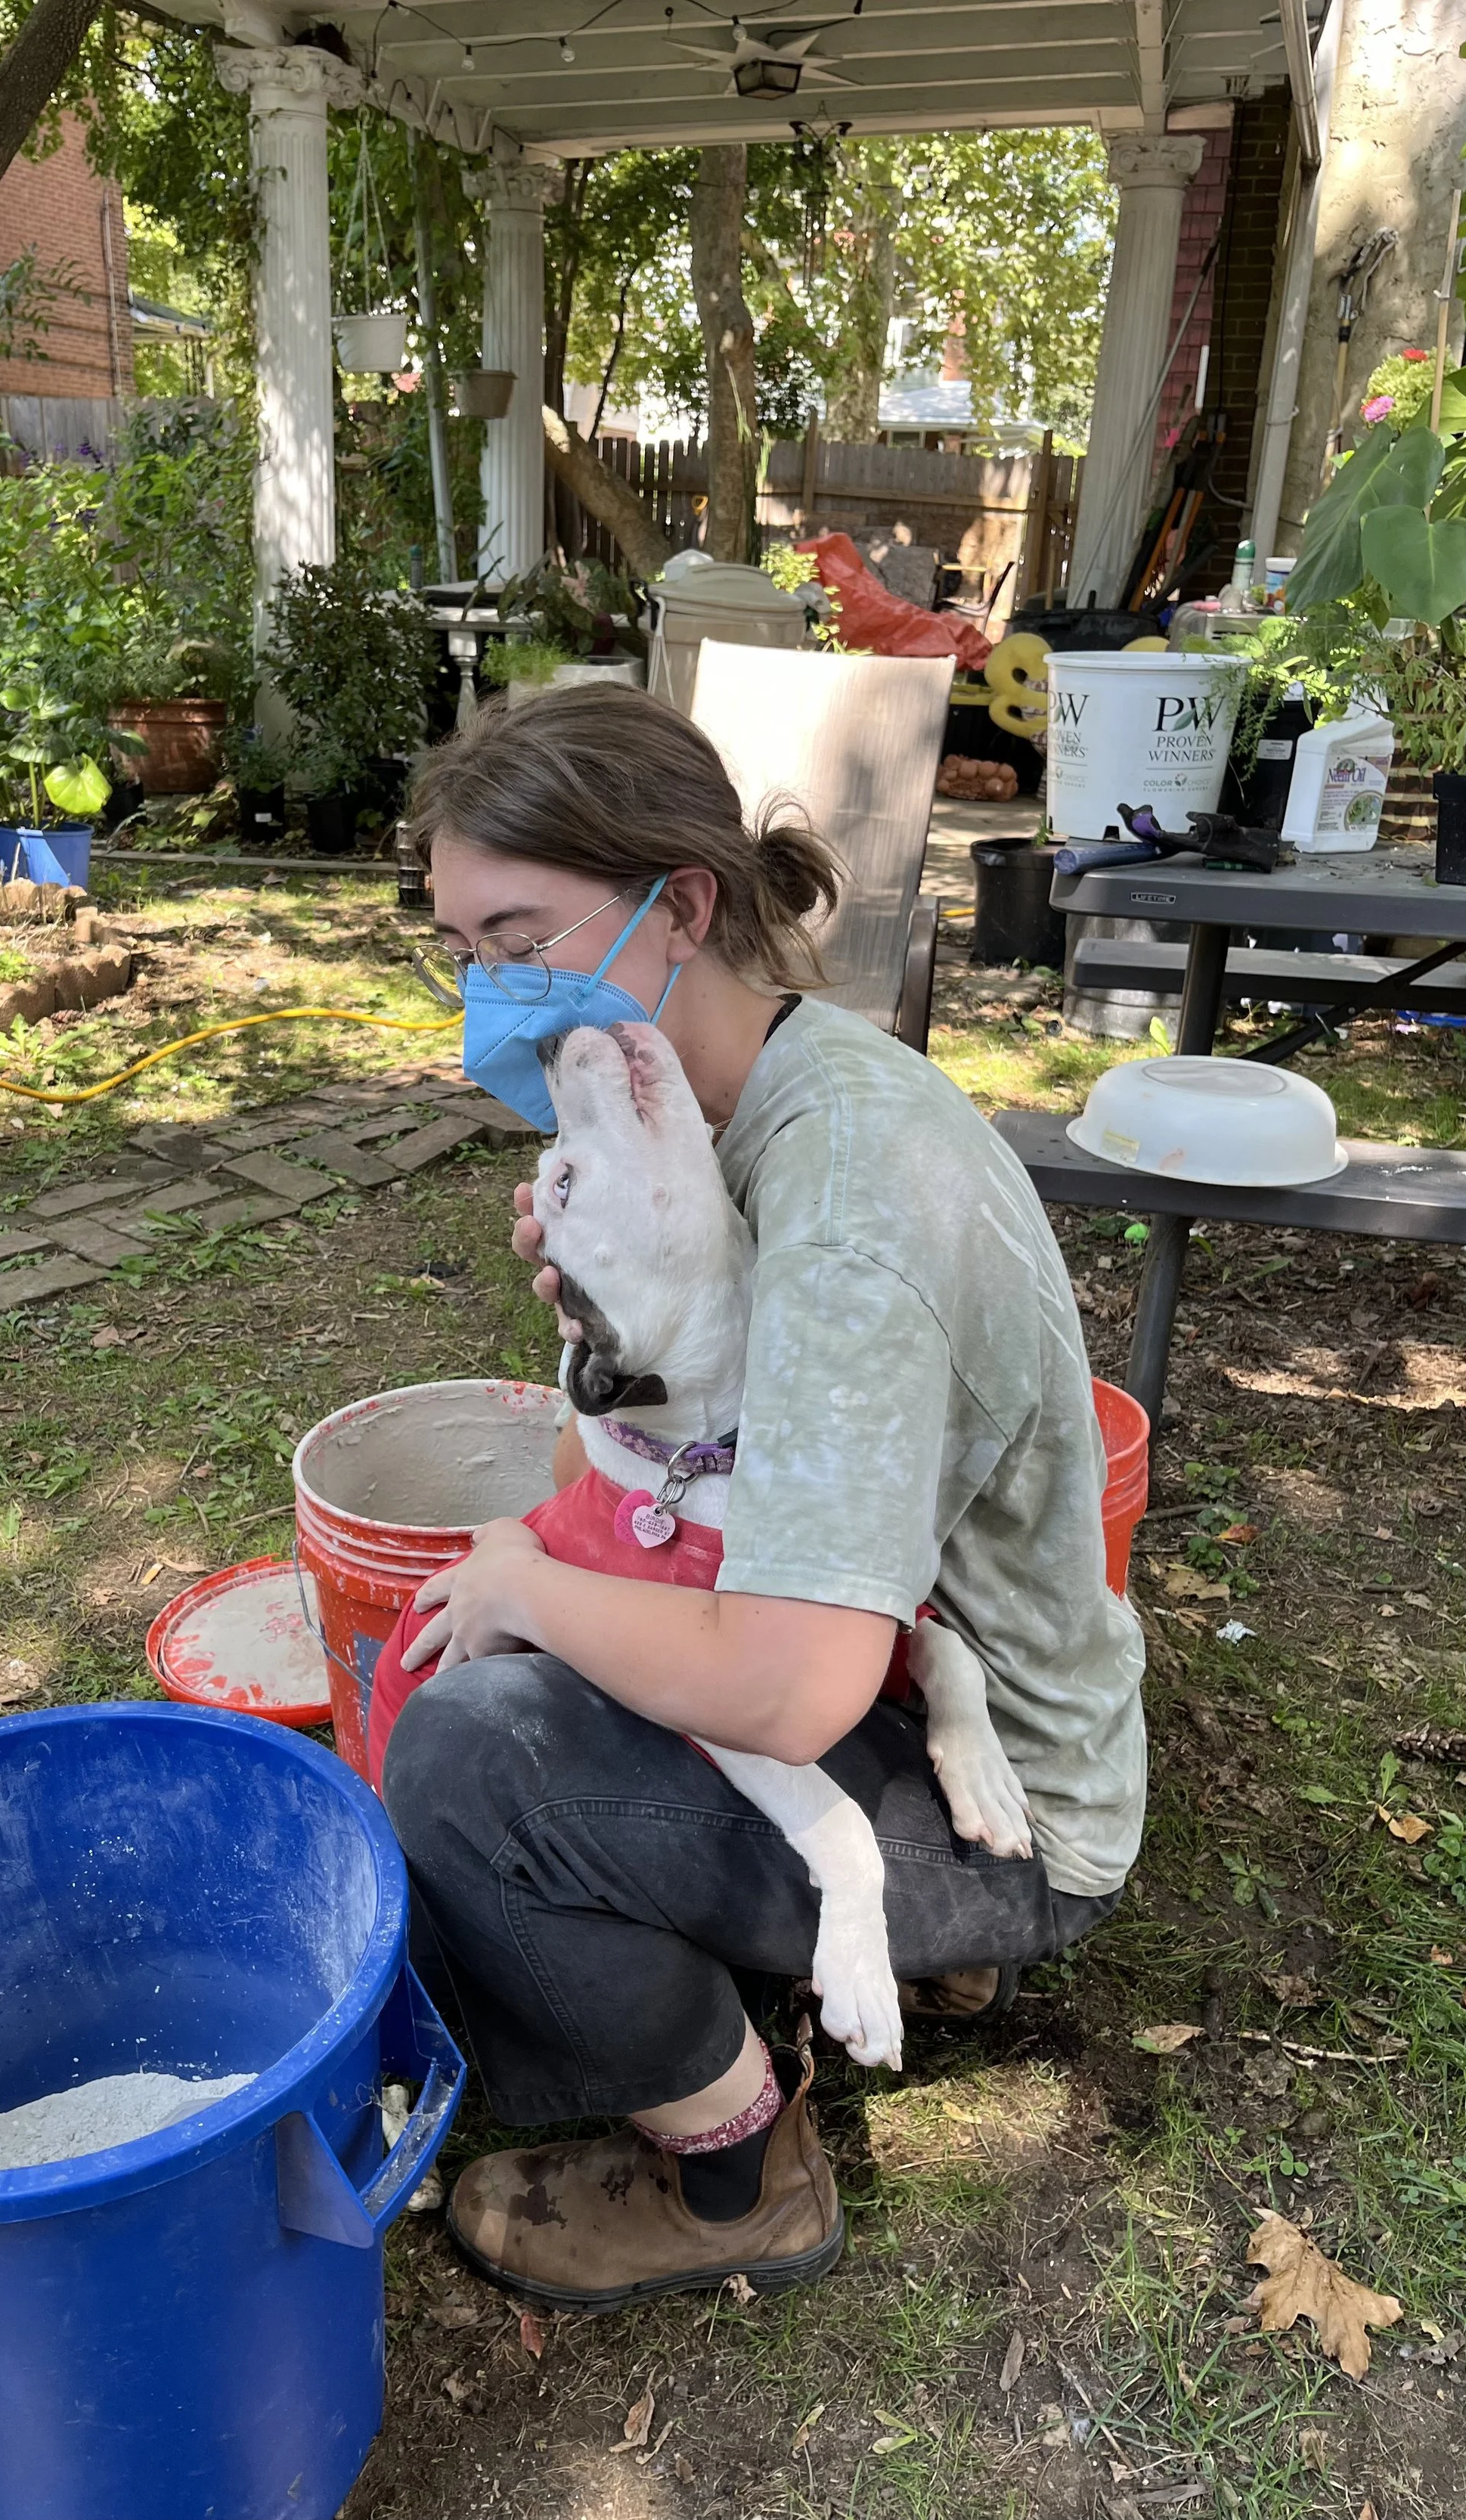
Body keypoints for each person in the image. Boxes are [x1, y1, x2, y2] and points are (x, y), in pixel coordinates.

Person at [380, 684, 1146, 2312]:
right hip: (923, 1675)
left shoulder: (848, 1203)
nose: (491, 992)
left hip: (997, 1798)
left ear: (684, 906)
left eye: (519, 932)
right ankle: (892, 1965)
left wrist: (517, 1579)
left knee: (459, 1754)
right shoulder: (758, 1094)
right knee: (532, 1672)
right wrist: (620, 1311)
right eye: (461, 949)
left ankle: (736, 2171)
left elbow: (789, 1693)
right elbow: (730, 1446)